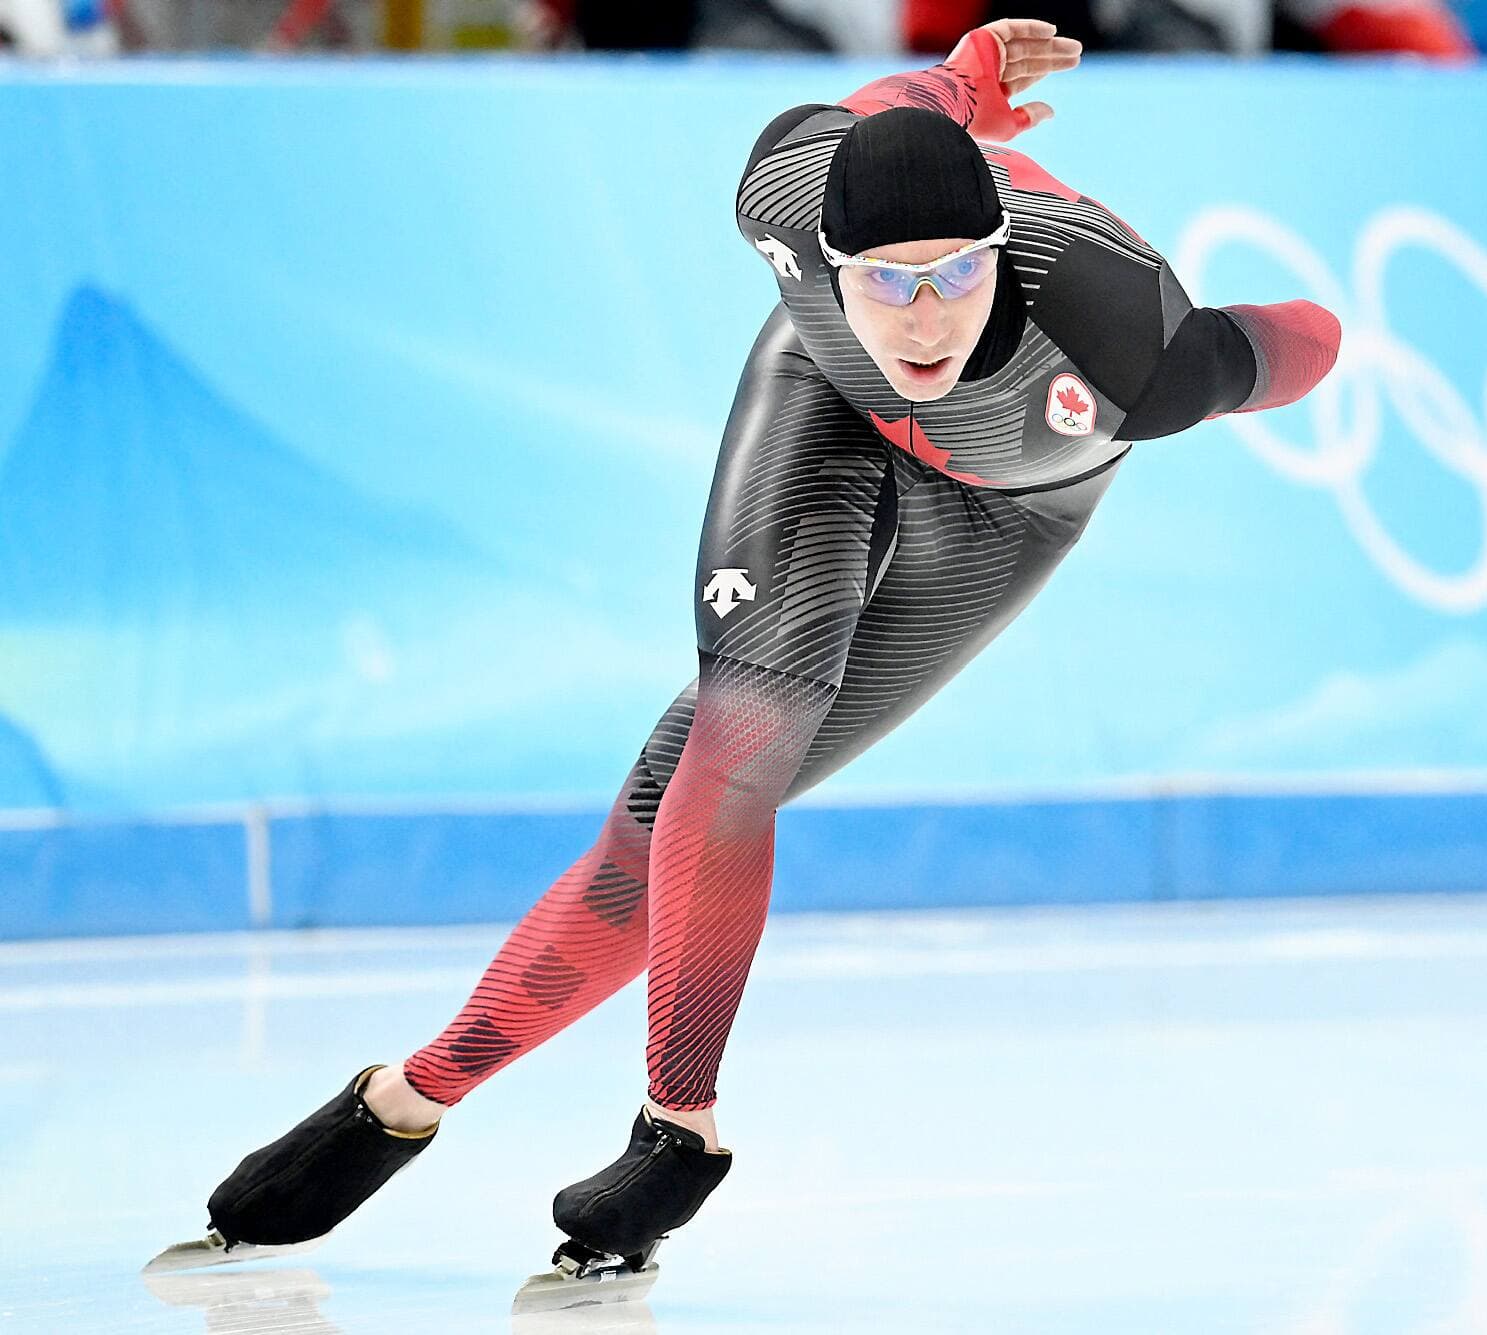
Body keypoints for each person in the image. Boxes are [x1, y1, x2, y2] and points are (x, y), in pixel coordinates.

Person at [169, 16, 1340, 1293]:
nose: (924, 318)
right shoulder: (782, 187)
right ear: (818, 258)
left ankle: (564, 1112)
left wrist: (1285, 346)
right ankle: (454, 1103)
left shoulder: (1131, 347)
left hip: (1011, 506)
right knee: (697, 776)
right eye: (884, 282)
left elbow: (1308, 337)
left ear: (1001, 254)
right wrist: (966, 80)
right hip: (822, 415)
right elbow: (903, 100)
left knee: (710, 795)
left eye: (956, 275)